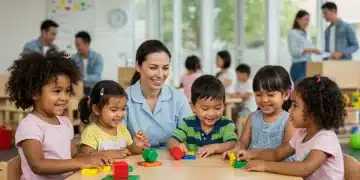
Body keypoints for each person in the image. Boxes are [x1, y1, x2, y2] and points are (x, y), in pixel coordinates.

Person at [7, 51, 110, 180]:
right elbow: (38, 165)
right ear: (35, 93)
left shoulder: (64, 122)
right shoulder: (30, 126)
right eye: (57, 91)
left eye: (67, 91)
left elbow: (73, 154)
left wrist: (92, 158)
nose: (64, 97)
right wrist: (78, 163)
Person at [234, 76, 345, 180]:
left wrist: (265, 165)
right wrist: (251, 154)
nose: (290, 110)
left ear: (314, 112)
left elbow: (305, 168)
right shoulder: (302, 133)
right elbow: (278, 153)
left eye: (295, 106)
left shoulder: (326, 138)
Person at [125, 40, 193, 147]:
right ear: (138, 66)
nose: (160, 75)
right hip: (135, 160)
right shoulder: (124, 99)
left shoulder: (178, 98)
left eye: (165, 68)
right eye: (153, 68)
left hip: (174, 161)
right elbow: (117, 139)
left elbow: (190, 134)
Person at [223, 65, 296, 161]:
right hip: (254, 170)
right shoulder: (253, 117)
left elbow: (283, 152)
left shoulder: (289, 120)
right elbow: (243, 143)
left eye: (271, 95)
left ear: (286, 95)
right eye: (258, 94)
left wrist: (253, 154)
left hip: (280, 171)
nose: (264, 100)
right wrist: (234, 151)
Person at [168, 75, 238, 157]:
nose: (211, 114)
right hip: (193, 167)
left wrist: (214, 147)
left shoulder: (226, 124)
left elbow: (233, 143)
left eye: (217, 108)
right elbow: (171, 140)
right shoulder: (187, 123)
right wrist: (176, 146)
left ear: (223, 105)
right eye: (205, 109)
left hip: (218, 168)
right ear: (193, 107)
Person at [78, 80, 150, 158]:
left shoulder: (122, 129)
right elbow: (84, 156)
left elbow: (129, 151)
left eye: (123, 109)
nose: (120, 114)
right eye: (114, 110)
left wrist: (136, 146)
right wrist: (111, 154)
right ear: (97, 110)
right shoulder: (91, 132)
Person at [288, 10, 321, 82]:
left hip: (309, 65)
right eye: (305, 20)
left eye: (308, 20)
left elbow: (309, 48)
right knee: (301, 91)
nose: (307, 22)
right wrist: (312, 50)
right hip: (299, 66)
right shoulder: (293, 33)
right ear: (297, 19)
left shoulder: (307, 33)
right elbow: (294, 51)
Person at [72, 31, 104, 96]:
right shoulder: (74, 58)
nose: (76, 47)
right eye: (75, 44)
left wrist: (82, 77)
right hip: (78, 88)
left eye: (78, 44)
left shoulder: (97, 57)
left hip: (93, 89)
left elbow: (97, 77)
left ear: (87, 43)